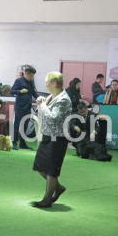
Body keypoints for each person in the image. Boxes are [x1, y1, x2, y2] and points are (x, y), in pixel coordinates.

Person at [31, 72, 73, 208]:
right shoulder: (51, 97)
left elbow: (54, 118)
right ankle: (58, 187)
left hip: (58, 138)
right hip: (47, 135)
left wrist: (43, 105)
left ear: (54, 83)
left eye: (47, 82)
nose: (45, 84)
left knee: (51, 170)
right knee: (39, 166)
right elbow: (43, 114)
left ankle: (47, 200)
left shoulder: (64, 100)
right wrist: (40, 104)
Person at [12, 65, 37, 149]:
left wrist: (38, 98)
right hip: (20, 106)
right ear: (26, 74)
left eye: (32, 77)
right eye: (31, 76)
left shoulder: (31, 82)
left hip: (28, 106)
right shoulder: (18, 81)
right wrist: (20, 91)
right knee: (17, 124)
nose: (31, 78)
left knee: (25, 125)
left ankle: (22, 143)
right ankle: (14, 142)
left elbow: (33, 92)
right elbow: (12, 91)